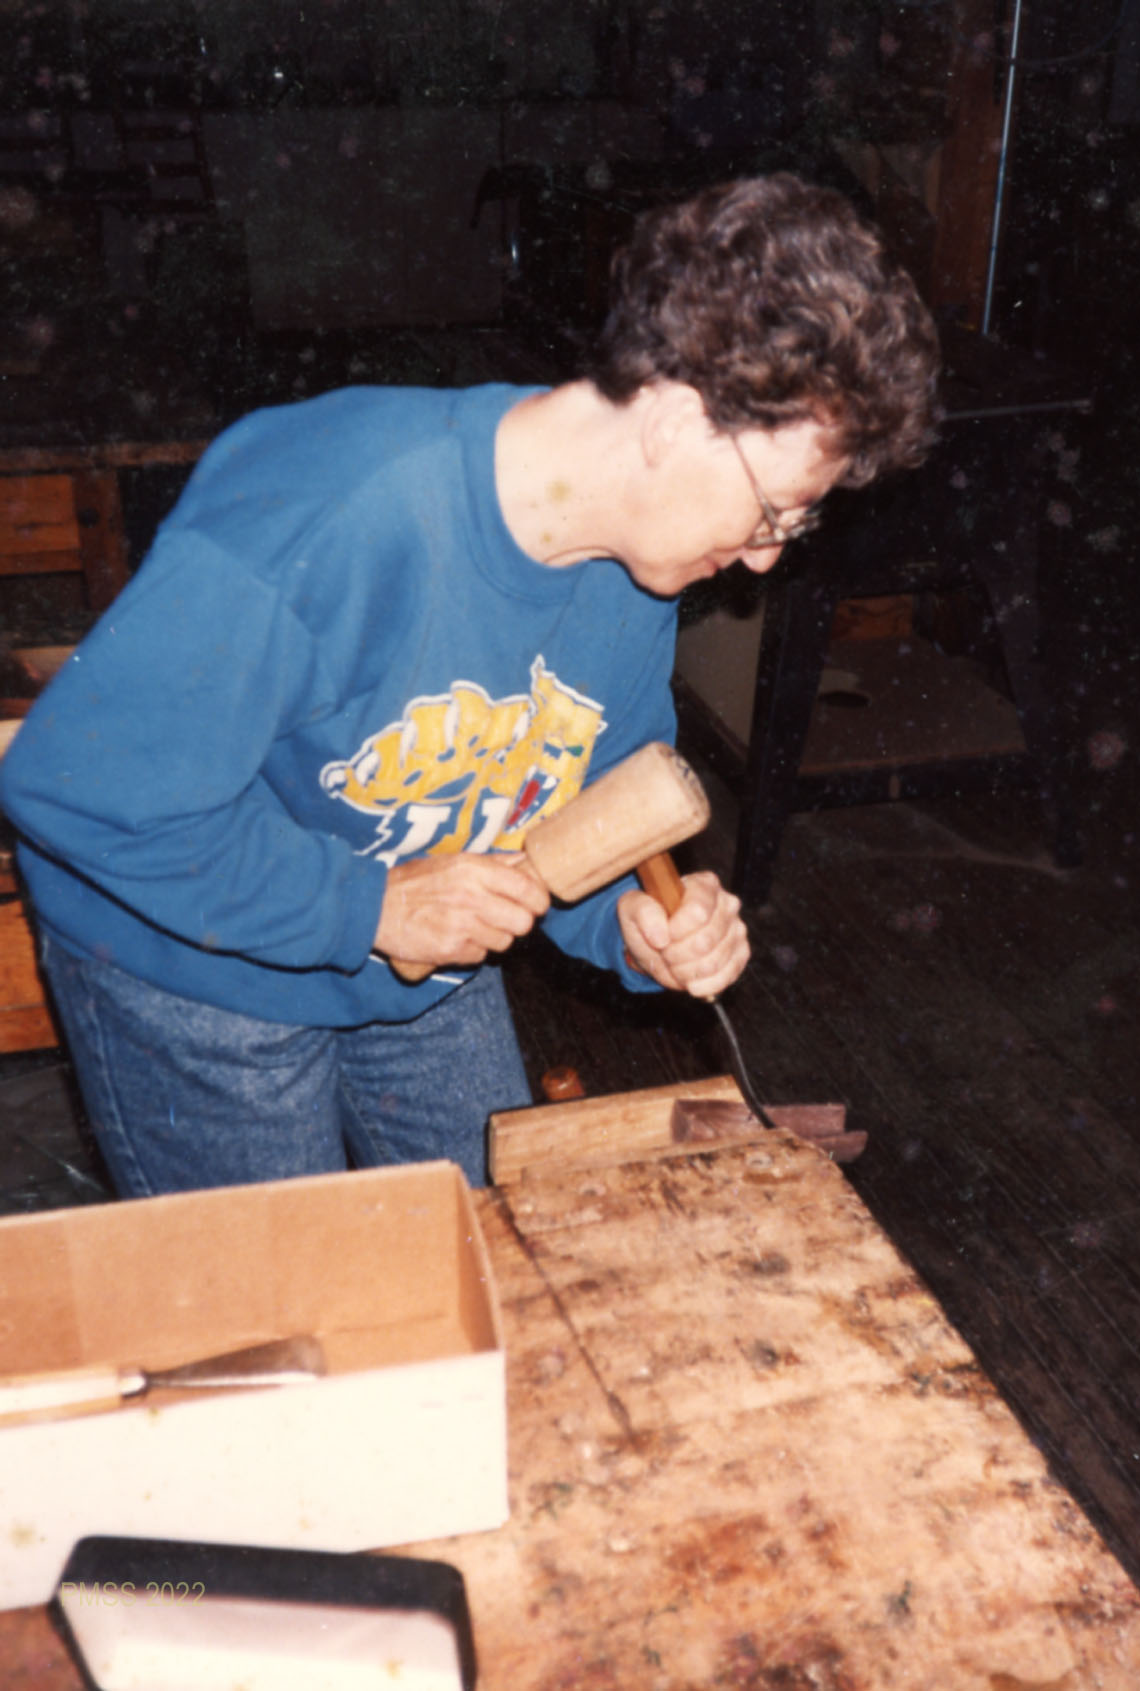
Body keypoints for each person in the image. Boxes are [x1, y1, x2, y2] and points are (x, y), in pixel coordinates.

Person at [0, 172, 939, 1198]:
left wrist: (636, 925)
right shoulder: (329, 509)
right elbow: (76, 789)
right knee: (289, 1289)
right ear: (676, 422)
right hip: (201, 963)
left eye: (795, 525)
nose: (766, 557)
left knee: (502, 1230)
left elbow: (580, 805)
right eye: (772, 512)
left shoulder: (636, 569)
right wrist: (368, 908)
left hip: (417, 943)